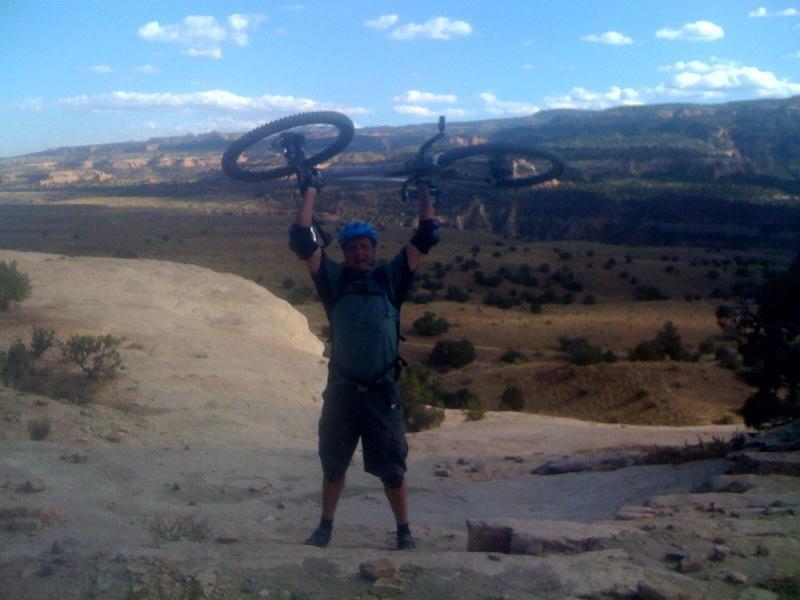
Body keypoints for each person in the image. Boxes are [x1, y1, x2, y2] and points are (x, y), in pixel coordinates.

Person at [288, 169, 438, 550]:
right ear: (345, 251)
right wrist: (310, 189)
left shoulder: (391, 278)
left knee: (392, 469)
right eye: (353, 246)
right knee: (333, 465)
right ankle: (324, 527)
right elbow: (302, 239)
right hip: (342, 391)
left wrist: (423, 186)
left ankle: (404, 532)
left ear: (373, 249)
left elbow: (427, 235)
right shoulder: (333, 281)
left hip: (381, 391)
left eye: (365, 246)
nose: (359, 252)